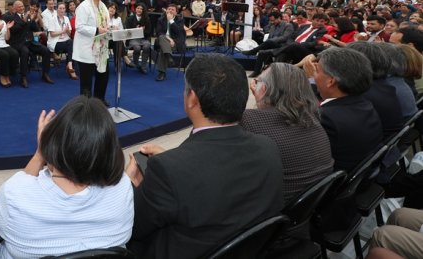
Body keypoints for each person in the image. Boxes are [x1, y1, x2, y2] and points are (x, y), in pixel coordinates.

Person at [126, 54, 283, 259]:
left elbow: (133, 226)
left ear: (192, 99)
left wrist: (129, 184)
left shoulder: (169, 170)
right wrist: (175, 159)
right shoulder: (268, 148)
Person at [0, 96, 133, 259]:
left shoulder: (14, 195)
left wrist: (40, 153)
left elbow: (2, 220)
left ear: (53, 143)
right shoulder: (123, 187)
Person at [241, 63, 334, 204]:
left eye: (258, 82)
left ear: (264, 89)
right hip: (312, 204)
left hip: (275, 210)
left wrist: (260, 100)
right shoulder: (313, 117)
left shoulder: (248, 120)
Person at [301, 47, 383, 172]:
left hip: (338, 185)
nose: (313, 76)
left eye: (316, 71)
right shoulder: (365, 104)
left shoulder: (325, 118)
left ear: (331, 81)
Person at [73, 0, 111, 104]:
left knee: (103, 76)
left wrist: (110, 28)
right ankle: (85, 105)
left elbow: (106, 22)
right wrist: (96, 30)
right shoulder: (83, 7)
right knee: (86, 81)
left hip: (101, 47)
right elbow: (79, 27)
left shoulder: (103, 6)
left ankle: (99, 100)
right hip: (87, 49)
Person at [4, 0, 53, 88]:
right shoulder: (11, 18)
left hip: (30, 41)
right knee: (25, 52)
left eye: (22, 6)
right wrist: (24, 20)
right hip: (17, 42)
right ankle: (23, 77)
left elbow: (35, 29)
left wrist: (33, 19)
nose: (22, 8)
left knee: (45, 50)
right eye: (19, 7)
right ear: (15, 8)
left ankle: (45, 74)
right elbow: (14, 30)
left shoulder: (28, 16)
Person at [45, 2, 77, 80]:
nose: (62, 10)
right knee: (71, 44)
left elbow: (69, 34)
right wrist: (63, 31)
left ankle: (70, 65)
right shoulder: (53, 19)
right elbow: (52, 34)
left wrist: (67, 31)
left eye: (63, 8)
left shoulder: (66, 18)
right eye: (60, 8)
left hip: (65, 40)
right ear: (57, 9)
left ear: (65, 10)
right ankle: (70, 69)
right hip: (55, 42)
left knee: (72, 43)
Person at [154, 5, 186, 82]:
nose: (170, 11)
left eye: (172, 9)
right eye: (169, 9)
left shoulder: (180, 20)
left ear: (176, 12)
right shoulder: (161, 20)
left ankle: (162, 73)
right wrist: (169, 39)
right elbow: (159, 33)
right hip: (164, 40)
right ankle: (168, 56)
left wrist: (171, 21)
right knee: (162, 38)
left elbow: (179, 32)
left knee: (163, 48)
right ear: (166, 10)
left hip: (175, 44)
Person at [126, 4, 151, 74]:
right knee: (137, 48)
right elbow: (127, 31)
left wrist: (143, 31)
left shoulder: (147, 19)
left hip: (144, 38)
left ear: (143, 10)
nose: (139, 10)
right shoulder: (130, 18)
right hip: (133, 39)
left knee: (147, 46)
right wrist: (135, 30)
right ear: (135, 9)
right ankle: (136, 64)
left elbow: (149, 32)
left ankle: (143, 66)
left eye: (141, 9)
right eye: (138, 8)